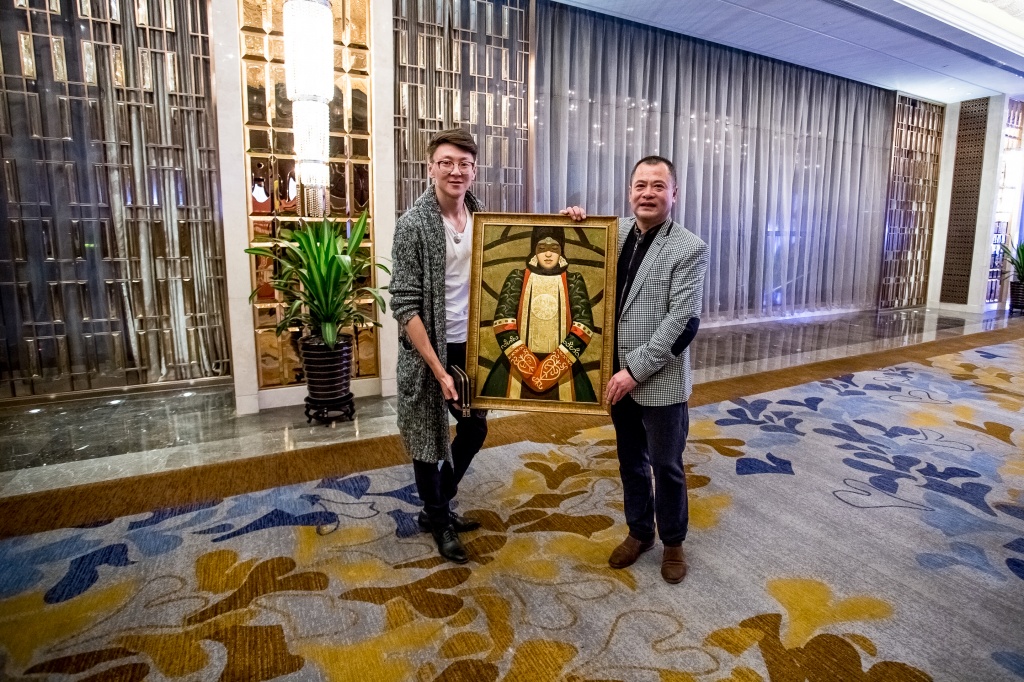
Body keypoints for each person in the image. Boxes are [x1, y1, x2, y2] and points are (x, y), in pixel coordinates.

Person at [562, 155, 709, 584]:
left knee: (666, 465)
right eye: (641, 185)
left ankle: (674, 542)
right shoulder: (613, 233)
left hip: (658, 379)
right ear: (630, 192)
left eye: (658, 186)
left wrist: (634, 371)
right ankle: (640, 532)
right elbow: (571, 266)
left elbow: (683, 323)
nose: (648, 193)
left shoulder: (689, 248)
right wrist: (571, 226)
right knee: (630, 461)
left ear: (673, 194)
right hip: (614, 377)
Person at [390, 128, 488, 564]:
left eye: (464, 163)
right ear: (430, 168)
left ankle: (436, 507)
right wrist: (437, 367)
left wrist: (568, 222)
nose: (455, 171)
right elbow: (404, 304)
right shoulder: (413, 225)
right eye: (446, 162)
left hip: (471, 344)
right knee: (428, 437)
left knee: (474, 429)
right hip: (428, 351)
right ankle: (440, 519)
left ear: (473, 171)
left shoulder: (482, 217)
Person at [480, 225, 597, 402]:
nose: (548, 254)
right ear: (534, 250)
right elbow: (503, 322)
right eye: (542, 248)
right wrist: (528, 367)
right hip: (515, 365)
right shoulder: (517, 277)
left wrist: (552, 367)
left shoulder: (573, 280)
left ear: (562, 251)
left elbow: (584, 326)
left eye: (554, 248)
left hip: (565, 365)